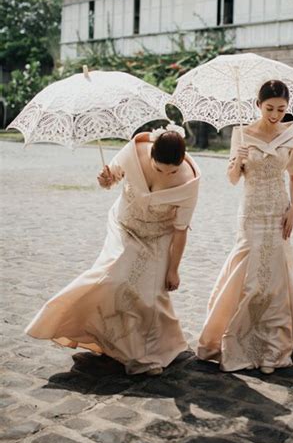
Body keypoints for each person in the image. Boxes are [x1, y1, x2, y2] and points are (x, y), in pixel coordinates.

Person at [25, 125, 200, 376]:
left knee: (148, 296)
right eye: (159, 168)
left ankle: (148, 352)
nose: (165, 174)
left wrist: (174, 269)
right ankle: (69, 320)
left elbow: (181, 230)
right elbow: (113, 177)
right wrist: (106, 179)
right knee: (114, 279)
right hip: (125, 226)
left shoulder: (188, 182)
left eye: (172, 170)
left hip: (159, 236)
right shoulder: (134, 151)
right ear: (151, 153)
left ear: (181, 162)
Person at [197, 80, 293, 374]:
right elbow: (233, 179)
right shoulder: (242, 134)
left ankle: (274, 347)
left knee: (274, 278)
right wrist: (238, 161)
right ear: (258, 105)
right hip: (251, 212)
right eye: (269, 108)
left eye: (281, 109)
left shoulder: (290, 133)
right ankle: (239, 341)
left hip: (279, 210)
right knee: (249, 278)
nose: (275, 114)